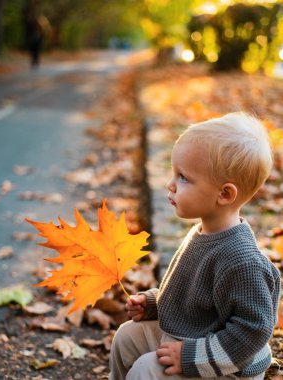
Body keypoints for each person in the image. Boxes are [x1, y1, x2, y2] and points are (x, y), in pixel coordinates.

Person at [109, 112, 281, 380]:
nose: (170, 184)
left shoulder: (241, 260)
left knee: (147, 370)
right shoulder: (203, 231)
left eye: (184, 177)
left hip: (229, 367)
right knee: (127, 337)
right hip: (194, 334)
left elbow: (253, 331)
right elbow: (196, 296)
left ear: (224, 194)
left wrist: (190, 357)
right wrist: (155, 302)